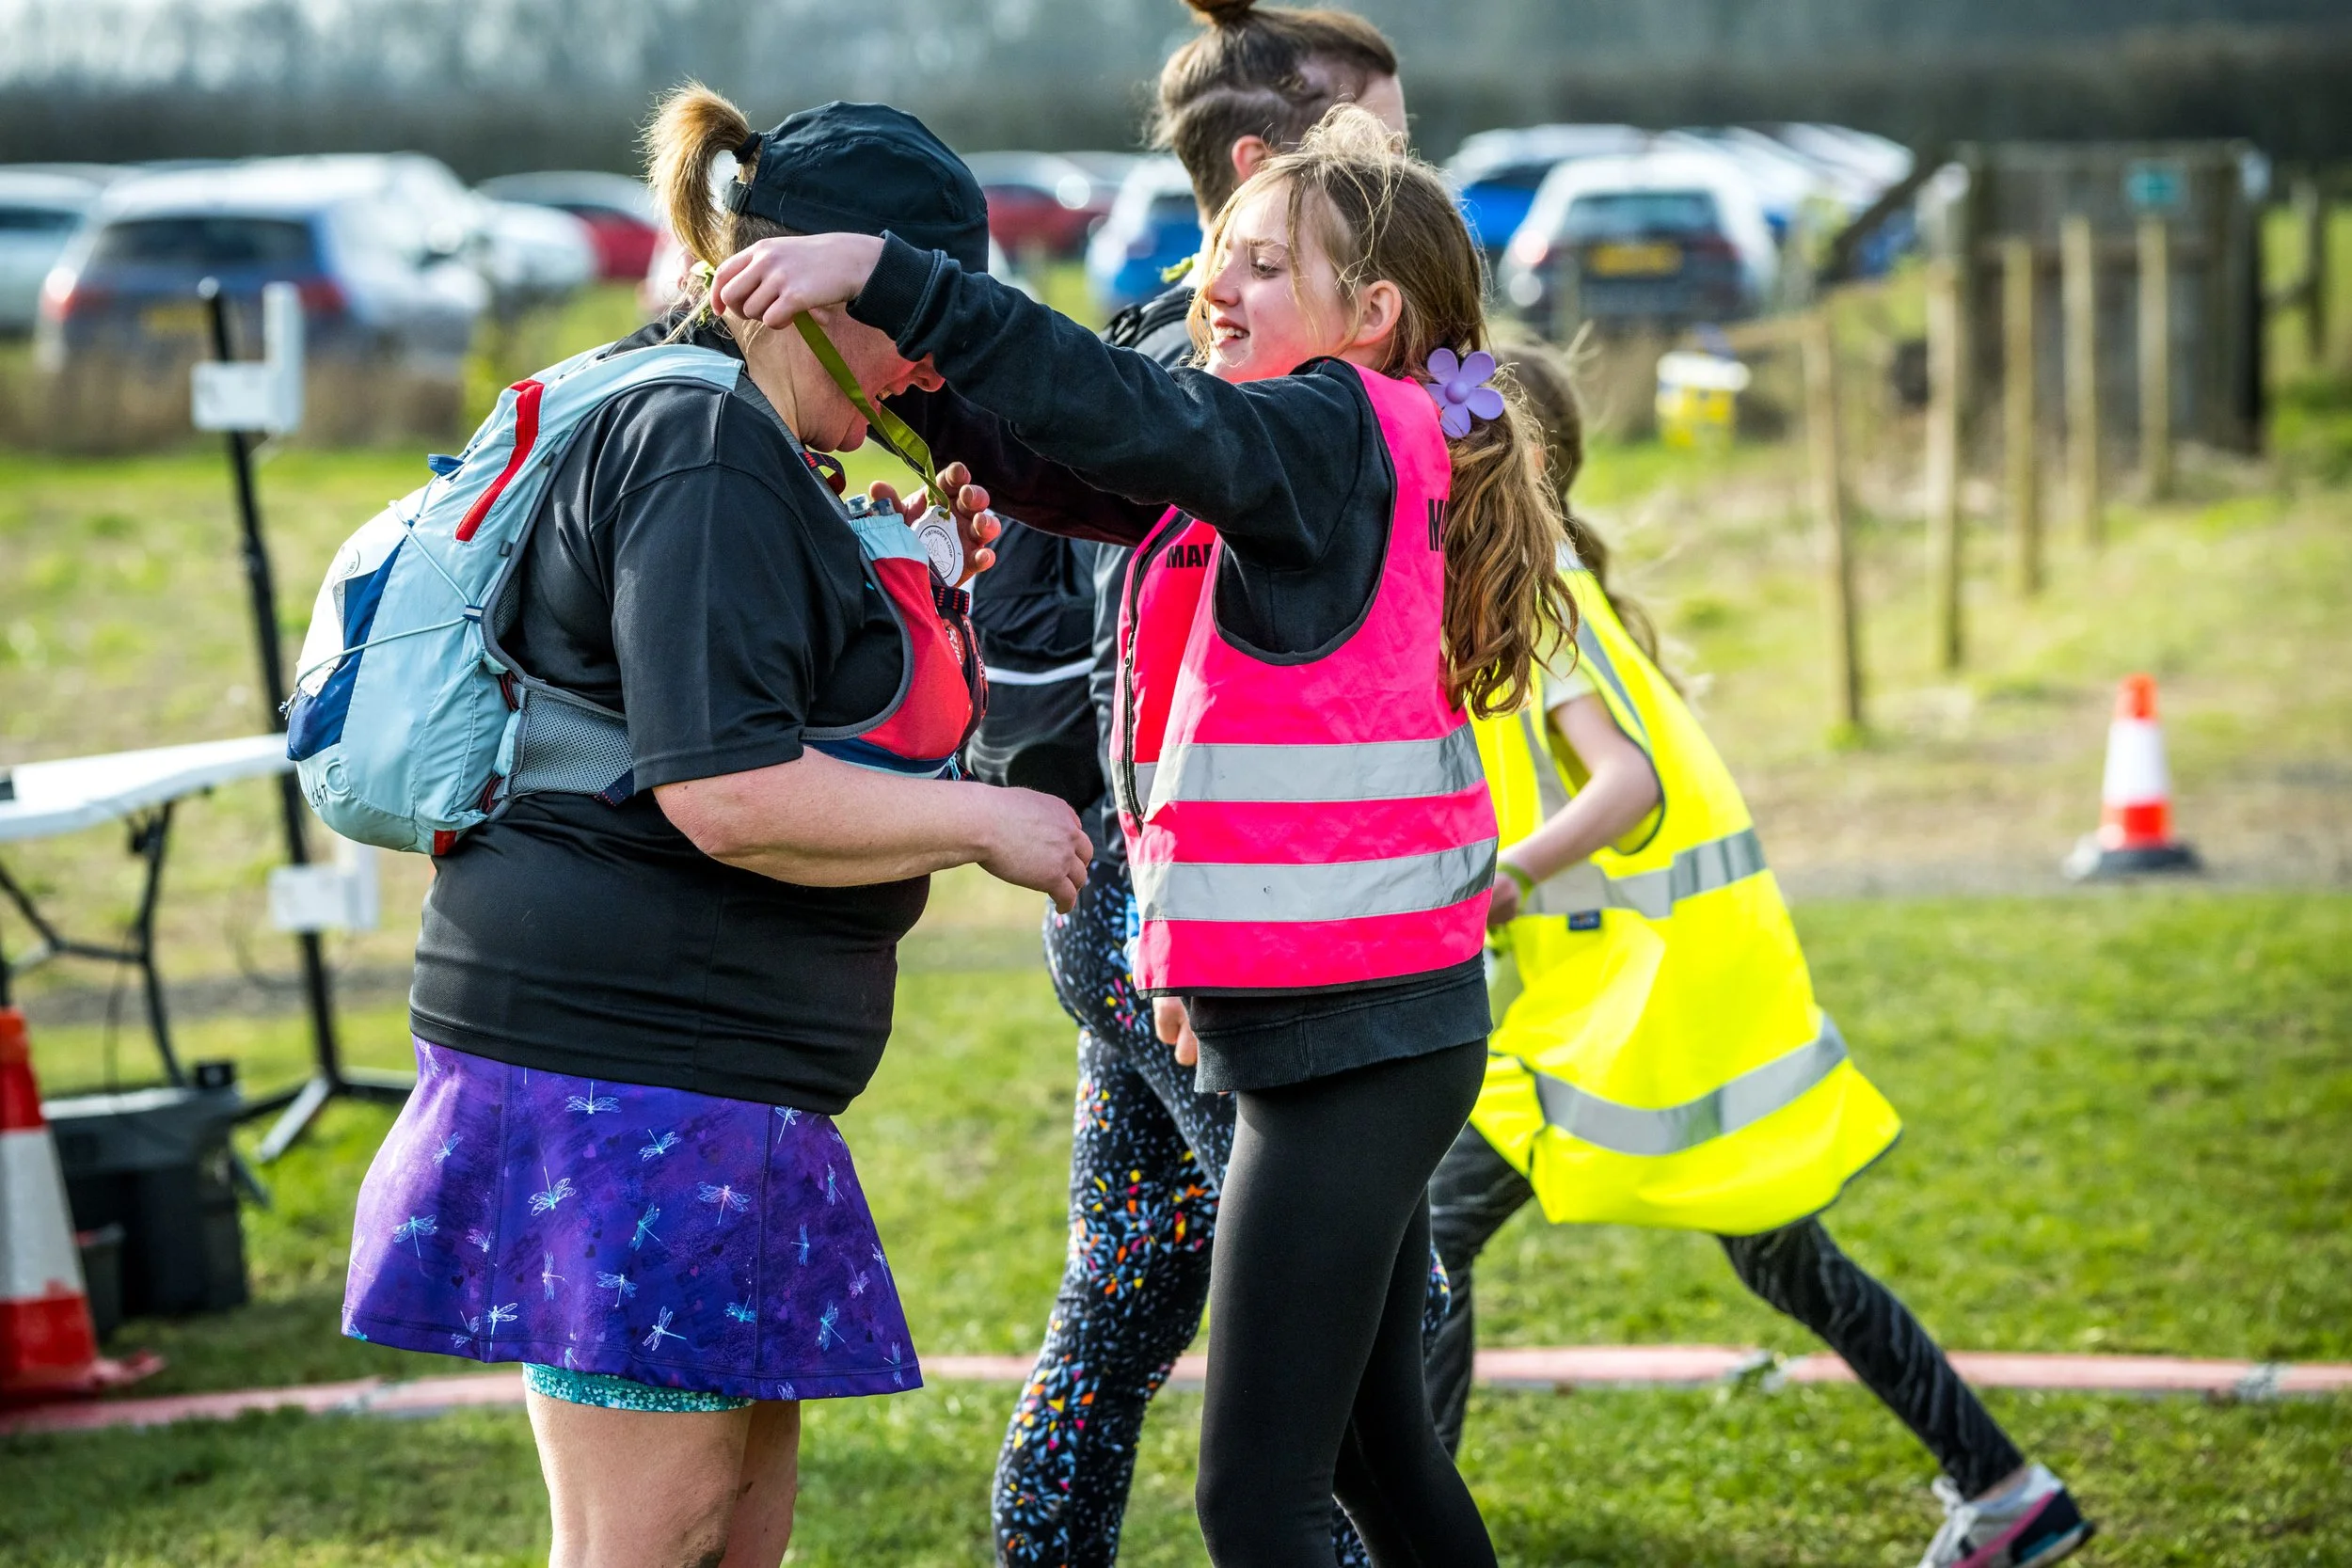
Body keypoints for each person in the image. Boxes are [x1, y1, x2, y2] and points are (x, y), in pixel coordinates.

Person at [716, 105, 1571, 1568]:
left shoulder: (1323, 436)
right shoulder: (1326, 449)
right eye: (1211, 261)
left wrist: (890, 269)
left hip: (1351, 1052)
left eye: (1258, 269)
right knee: (1378, 1461)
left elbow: (1130, 412)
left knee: (1259, 1498)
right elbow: (1065, 450)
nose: (1209, 292)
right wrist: (902, 370)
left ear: (1370, 318)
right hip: (1358, 1034)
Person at [339, 87, 1091, 1568]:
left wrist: (918, 580)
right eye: (909, 314)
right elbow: (726, 790)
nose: (932, 359)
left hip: (700, 1075)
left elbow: (764, 707)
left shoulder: (724, 422)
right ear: (806, 288)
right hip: (628, 1075)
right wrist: (986, 820)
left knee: (741, 1526)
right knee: (654, 1529)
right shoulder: (700, 445)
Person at [1423, 341, 2097, 1568]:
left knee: (1426, 1235)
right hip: (1656, 991)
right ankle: (2006, 1487)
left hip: (1626, 1010)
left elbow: (1623, 785)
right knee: (1785, 1252)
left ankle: (1410, 1531)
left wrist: (1507, 878)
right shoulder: (1542, 575)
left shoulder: (1530, 585)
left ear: (1501, 460)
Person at [950, 5, 1430, 1563]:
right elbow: (1155, 704)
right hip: (1198, 919)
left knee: (1131, 1293)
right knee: (1349, 1372)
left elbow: (1479, 429)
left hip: (1160, 913)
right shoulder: (1199, 384)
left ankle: (1043, 1550)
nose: (1413, 170)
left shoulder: (1359, 387)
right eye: (1381, 146)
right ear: (1259, 167)